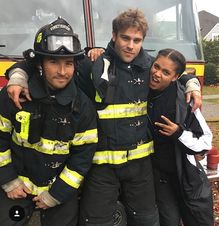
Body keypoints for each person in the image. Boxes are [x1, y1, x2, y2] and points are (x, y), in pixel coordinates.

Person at [5, 9, 202, 226]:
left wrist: (193, 85)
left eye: (137, 40)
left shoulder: (149, 66)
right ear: (114, 36)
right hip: (101, 166)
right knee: (95, 221)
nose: (130, 45)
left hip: (140, 166)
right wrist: (17, 77)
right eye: (125, 38)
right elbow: (42, 61)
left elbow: (175, 73)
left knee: (147, 219)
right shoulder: (94, 63)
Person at [0, 17, 98, 226]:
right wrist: (9, 181)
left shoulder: (83, 108)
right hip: (17, 187)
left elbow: (81, 159)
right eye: (54, 62)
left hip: (58, 192)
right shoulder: (14, 96)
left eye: (68, 63)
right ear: (40, 64)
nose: (62, 72)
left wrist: (55, 195)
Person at [148, 48, 214, 226]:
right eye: (156, 67)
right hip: (160, 180)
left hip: (186, 177)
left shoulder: (184, 101)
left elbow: (205, 141)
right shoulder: (140, 90)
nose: (157, 74)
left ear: (175, 77)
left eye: (166, 72)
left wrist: (178, 133)